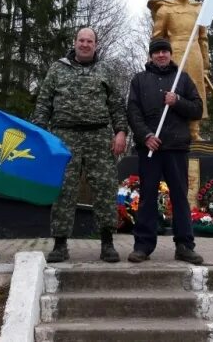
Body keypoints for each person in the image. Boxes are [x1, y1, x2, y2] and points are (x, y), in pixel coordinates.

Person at [32, 27, 129, 263]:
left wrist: (121, 132)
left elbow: (116, 104)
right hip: (64, 137)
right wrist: (39, 133)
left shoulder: (106, 69)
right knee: (64, 190)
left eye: (90, 41)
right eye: (81, 40)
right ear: (75, 42)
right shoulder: (58, 68)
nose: (85, 44)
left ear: (96, 45)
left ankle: (107, 243)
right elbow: (44, 102)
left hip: (99, 138)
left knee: (105, 190)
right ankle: (60, 244)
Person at [126, 38, 204, 265]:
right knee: (147, 197)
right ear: (150, 56)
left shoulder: (183, 79)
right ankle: (142, 246)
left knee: (180, 196)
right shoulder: (139, 81)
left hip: (177, 149)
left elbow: (197, 109)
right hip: (150, 148)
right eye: (157, 52)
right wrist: (146, 136)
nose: (161, 55)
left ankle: (184, 246)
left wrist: (177, 100)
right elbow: (133, 112)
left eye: (165, 51)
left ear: (170, 54)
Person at [147, 0, 210, 141]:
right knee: (174, 88)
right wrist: (151, 61)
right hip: (174, 52)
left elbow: (203, 38)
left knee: (196, 89)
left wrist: (206, 64)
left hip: (194, 52)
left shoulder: (198, 10)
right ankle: (174, 128)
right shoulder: (166, 10)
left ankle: (195, 131)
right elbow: (157, 37)